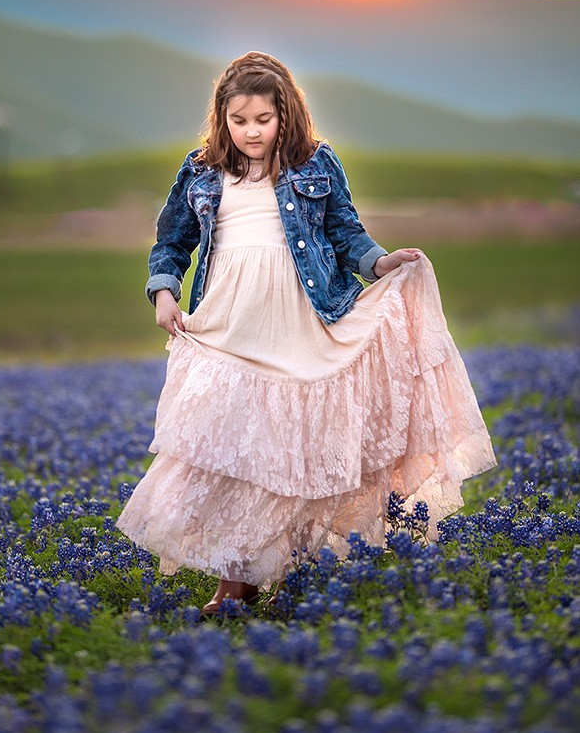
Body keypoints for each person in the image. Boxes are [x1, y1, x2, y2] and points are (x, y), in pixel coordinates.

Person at [116, 51, 497, 615]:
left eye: (263, 120)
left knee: (287, 453)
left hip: (301, 323)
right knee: (231, 449)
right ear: (222, 119)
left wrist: (379, 263)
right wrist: (165, 291)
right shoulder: (200, 171)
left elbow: (345, 231)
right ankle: (234, 580)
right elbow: (171, 242)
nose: (251, 131)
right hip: (227, 325)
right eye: (239, 120)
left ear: (285, 115)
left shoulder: (315, 162)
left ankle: (275, 572)